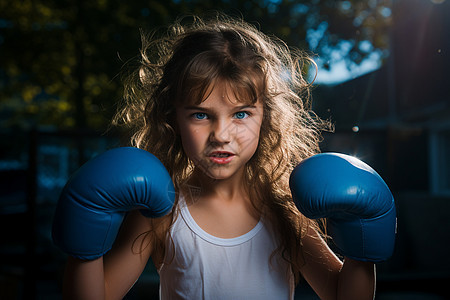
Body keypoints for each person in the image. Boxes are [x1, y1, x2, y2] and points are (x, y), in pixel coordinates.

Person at [52, 14, 396, 300]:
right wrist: (83, 251)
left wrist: (362, 253)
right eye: (200, 115)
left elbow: (340, 295)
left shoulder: (284, 206)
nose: (221, 134)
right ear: (173, 118)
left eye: (241, 114)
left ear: (267, 117)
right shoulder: (162, 209)